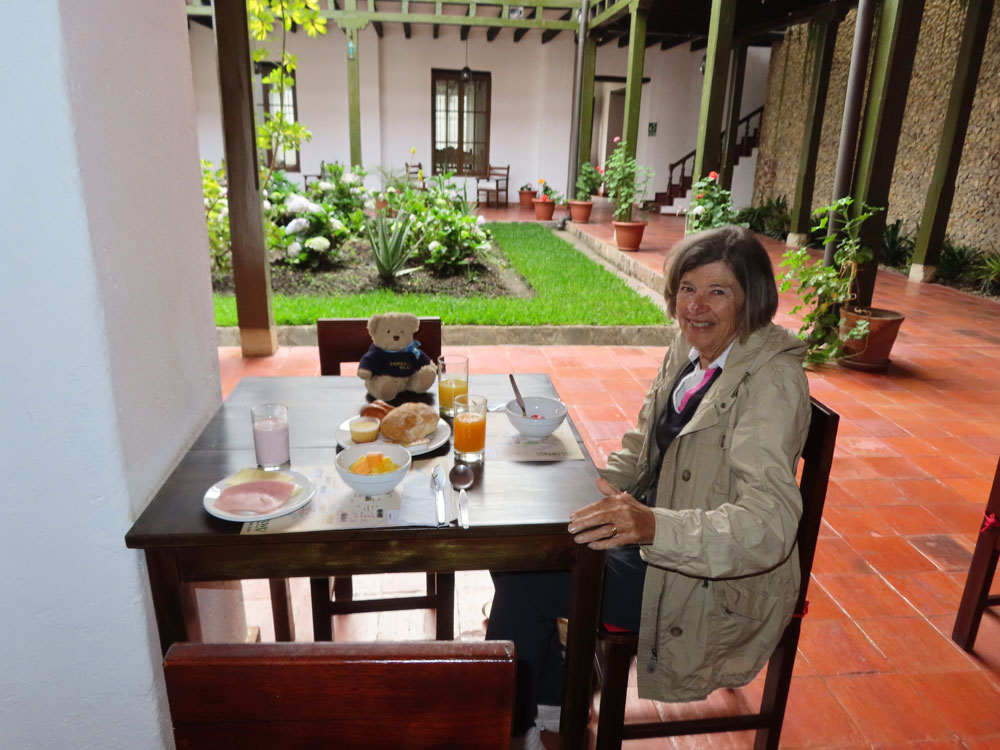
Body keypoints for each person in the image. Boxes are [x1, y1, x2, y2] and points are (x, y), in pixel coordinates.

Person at [486, 225, 811, 750]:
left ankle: (510, 727)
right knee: (518, 545)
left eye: (718, 291)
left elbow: (769, 526)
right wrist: (585, 490)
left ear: (752, 299)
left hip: (703, 576)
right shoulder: (691, 347)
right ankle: (551, 706)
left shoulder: (772, 383)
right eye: (687, 289)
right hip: (656, 537)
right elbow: (643, 445)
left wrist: (652, 525)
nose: (695, 306)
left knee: (527, 579)